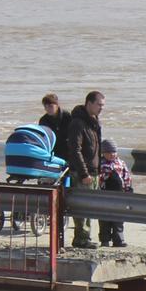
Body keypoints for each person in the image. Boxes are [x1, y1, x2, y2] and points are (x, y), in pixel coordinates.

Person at [58, 90, 105, 248]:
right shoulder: (78, 123)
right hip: (82, 172)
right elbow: (75, 150)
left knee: (90, 206)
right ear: (89, 103)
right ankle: (81, 239)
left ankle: (85, 237)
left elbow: (97, 148)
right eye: (99, 104)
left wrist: (100, 168)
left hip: (94, 171)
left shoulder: (94, 121)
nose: (101, 108)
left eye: (102, 105)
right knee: (82, 207)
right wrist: (84, 173)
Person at [98, 139, 134, 247]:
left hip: (119, 194)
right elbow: (99, 180)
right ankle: (105, 240)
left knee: (118, 218)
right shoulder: (101, 164)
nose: (112, 155)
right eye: (108, 153)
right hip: (105, 195)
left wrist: (128, 189)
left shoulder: (121, 163)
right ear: (103, 153)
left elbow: (127, 177)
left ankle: (119, 239)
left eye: (113, 152)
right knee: (104, 219)